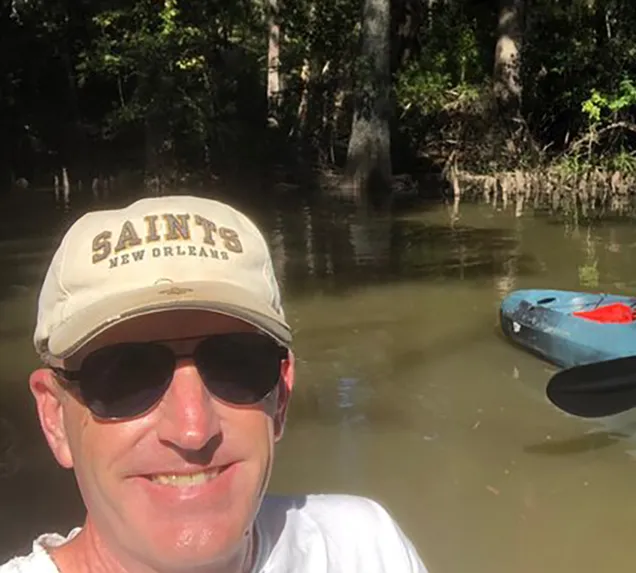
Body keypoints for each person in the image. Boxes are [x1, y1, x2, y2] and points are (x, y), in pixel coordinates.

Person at [1, 195, 428, 572]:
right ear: (55, 417)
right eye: (126, 374)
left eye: (236, 365)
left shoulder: (365, 550)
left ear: (280, 397)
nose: (193, 429)